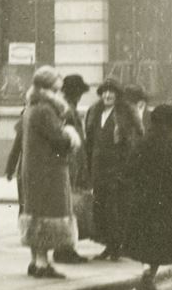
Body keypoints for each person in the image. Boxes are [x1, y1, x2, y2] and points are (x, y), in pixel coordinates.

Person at [19, 65, 81, 279]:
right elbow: (58, 138)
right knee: (47, 216)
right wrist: (70, 135)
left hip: (36, 169)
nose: (60, 91)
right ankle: (43, 264)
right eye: (56, 86)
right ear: (48, 87)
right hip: (49, 171)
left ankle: (36, 261)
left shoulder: (32, 107)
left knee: (36, 215)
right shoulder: (45, 109)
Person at [123, 103, 172, 290]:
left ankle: (146, 271)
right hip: (165, 200)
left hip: (142, 198)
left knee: (144, 237)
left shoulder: (143, 141)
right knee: (161, 240)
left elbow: (129, 170)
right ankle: (150, 276)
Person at [85, 78, 143, 260]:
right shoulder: (95, 112)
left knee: (116, 208)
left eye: (111, 92)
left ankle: (117, 246)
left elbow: (133, 142)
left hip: (118, 168)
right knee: (101, 207)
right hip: (98, 168)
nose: (107, 95)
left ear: (117, 95)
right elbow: (90, 141)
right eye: (104, 92)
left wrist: (126, 168)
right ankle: (108, 245)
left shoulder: (125, 113)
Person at [54, 73, 91, 264]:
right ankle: (64, 249)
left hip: (73, 166)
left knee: (70, 208)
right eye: (79, 93)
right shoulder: (67, 111)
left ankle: (67, 246)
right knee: (68, 208)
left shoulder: (69, 109)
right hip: (70, 166)